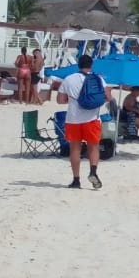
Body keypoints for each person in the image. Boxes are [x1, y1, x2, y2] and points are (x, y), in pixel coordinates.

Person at [56, 54, 104, 190]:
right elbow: (107, 97)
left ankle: (76, 180)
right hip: (92, 118)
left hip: (73, 119)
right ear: (91, 65)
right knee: (93, 147)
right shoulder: (98, 78)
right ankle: (93, 172)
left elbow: (59, 100)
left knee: (75, 149)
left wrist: (72, 100)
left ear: (78, 65)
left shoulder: (68, 79)